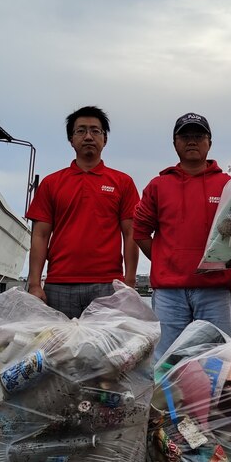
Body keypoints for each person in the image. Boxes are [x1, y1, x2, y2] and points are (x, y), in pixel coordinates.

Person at [134, 113, 231, 359]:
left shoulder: (229, 184)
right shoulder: (158, 186)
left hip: (216, 290)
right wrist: (165, 260)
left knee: (217, 361)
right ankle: (166, 400)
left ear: (209, 143)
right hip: (170, 293)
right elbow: (139, 231)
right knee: (166, 361)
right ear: (174, 143)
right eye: (185, 136)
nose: (192, 141)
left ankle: (211, 400)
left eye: (199, 136)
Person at [26, 106, 140, 318]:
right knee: (59, 350)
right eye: (81, 131)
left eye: (95, 131)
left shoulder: (123, 182)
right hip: (58, 284)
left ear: (105, 139)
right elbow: (40, 235)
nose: (88, 136)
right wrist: (34, 283)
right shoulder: (52, 183)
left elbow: (131, 233)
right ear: (71, 139)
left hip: (108, 285)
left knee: (106, 350)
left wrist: (130, 281)